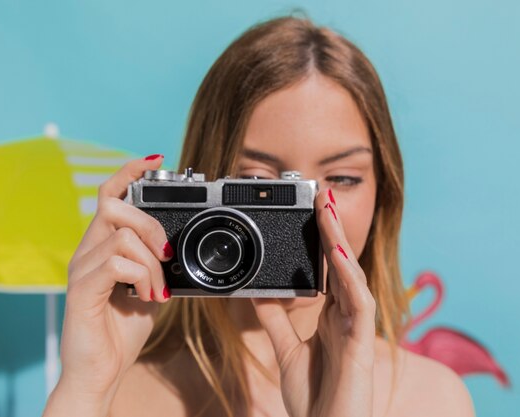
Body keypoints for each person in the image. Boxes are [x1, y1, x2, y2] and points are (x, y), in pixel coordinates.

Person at [43, 16, 475, 417]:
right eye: (259, 183)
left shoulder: (434, 399)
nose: (309, 211)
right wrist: (85, 388)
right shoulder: (122, 395)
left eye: (342, 177)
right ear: (199, 194)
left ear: (384, 194)